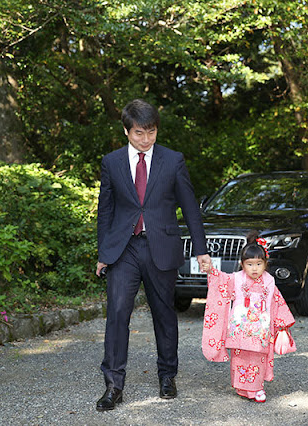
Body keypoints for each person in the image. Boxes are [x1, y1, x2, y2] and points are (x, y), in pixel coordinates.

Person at [95, 99, 211, 411]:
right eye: (138, 133)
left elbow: (189, 207)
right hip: (124, 249)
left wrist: (201, 250)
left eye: (151, 132)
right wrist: (103, 253)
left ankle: (167, 376)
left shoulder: (173, 161)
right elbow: (104, 211)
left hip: (161, 247)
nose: (145, 139)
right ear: (126, 131)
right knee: (118, 313)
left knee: (164, 314)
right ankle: (113, 385)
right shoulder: (112, 162)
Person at [200, 231, 296, 403]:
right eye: (249, 264)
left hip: (260, 329)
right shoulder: (236, 279)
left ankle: (257, 388)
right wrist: (212, 271)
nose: (254, 268)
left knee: (257, 357)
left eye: (259, 264)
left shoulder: (269, 282)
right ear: (242, 264)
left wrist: (282, 323)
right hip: (240, 328)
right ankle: (243, 387)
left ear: (265, 264)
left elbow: (277, 302)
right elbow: (220, 281)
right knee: (240, 357)